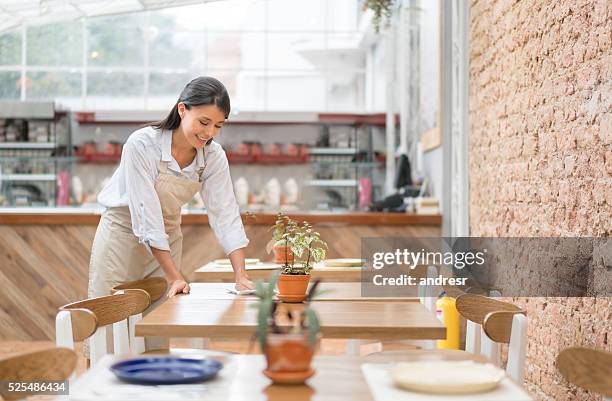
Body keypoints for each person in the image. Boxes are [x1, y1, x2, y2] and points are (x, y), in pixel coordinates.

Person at [87, 76, 253, 353]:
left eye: (218, 125)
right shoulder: (142, 144)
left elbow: (225, 213)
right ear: (182, 109)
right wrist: (174, 276)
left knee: (155, 328)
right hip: (122, 234)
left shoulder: (213, 157)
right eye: (203, 122)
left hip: (167, 236)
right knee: (109, 327)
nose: (209, 132)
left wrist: (241, 275)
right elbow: (145, 214)